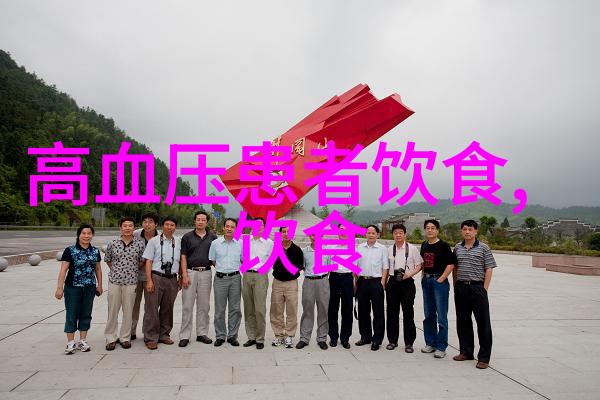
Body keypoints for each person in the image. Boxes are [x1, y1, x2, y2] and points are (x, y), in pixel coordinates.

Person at [453, 219, 497, 369]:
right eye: (464, 229)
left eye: (470, 229)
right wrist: (455, 285)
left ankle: (483, 358)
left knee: (483, 323)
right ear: (461, 231)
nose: (467, 232)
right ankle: (466, 352)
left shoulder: (484, 248)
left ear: (476, 231)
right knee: (463, 321)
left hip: (478, 288)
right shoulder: (457, 247)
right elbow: (455, 267)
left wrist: (484, 289)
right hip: (461, 288)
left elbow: (489, 268)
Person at [55, 223, 103, 354]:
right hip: (72, 287)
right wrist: (59, 288)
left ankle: (83, 340)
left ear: (92, 235)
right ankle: (70, 342)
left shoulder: (95, 251)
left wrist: (100, 285)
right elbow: (63, 270)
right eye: (83, 233)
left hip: (89, 287)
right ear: (78, 235)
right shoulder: (70, 250)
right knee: (71, 313)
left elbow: (98, 269)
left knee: (86, 313)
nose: (86, 236)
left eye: (89, 233)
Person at [104, 217, 145, 350]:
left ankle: (125, 337)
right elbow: (108, 259)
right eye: (125, 226)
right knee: (112, 311)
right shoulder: (113, 243)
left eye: (130, 226)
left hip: (131, 282)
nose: (127, 228)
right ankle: (110, 338)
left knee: (128, 311)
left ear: (134, 228)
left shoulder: (140, 244)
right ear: (120, 228)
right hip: (114, 281)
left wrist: (132, 270)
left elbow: (142, 261)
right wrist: (116, 271)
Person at [141, 216, 181, 350]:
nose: (169, 227)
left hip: (172, 278)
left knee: (167, 308)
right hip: (156, 277)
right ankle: (151, 337)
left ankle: (164, 334)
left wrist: (180, 277)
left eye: (172, 225)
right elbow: (148, 261)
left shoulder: (179, 241)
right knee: (151, 308)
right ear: (162, 226)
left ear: (175, 227)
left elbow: (181, 260)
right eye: (167, 224)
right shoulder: (154, 241)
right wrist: (149, 281)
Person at [178, 210, 217, 347]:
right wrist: (184, 275)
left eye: (203, 220)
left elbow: (215, 257)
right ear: (194, 221)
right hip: (190, 272)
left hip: (206, 273)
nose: (200, 222)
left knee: (204, 306)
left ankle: (202, 333)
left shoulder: (213, 237)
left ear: (207, 222)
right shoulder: (187, 237)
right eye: (198, 219)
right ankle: (184, 336)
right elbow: (183, 256)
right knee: (187, 306)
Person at [420, 219, 456, 359]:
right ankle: (430, 343)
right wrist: (423, 277)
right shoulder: (424, 245)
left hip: (439, 282)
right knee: (429, 314)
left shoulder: (444, 246)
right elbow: (423, 263)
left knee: (441, 316)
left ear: (437, 230)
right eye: (427, 228)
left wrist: (441, 278)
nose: (430, 230)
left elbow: (451, 264)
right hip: (426, 281)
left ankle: (441, 346)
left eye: (433, 228)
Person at [385, 224, 423, 353]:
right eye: (395, 232)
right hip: (392, 282)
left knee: (408, 313)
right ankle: (392, 341)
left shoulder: (412, 249)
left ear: (405, 234)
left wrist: (409, 274)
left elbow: (420, 265)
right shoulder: (389, 249)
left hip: (407, 282)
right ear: (392, 235)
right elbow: (386, 267)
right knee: (392, 313)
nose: (398, 235)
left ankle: (409, 343)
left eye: (400, 232)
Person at [208, 218, 243, 347]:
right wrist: (222, 269)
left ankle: (232, 336)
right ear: (223, 227)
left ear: (236, 229)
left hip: (235, 278)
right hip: (220, 278)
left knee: (235, 309)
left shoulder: (241, 243)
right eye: (227, 226)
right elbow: (212, 260)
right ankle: (220, 335)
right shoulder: (215, 243)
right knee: (219, 309)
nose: (229, 229)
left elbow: (243, 259)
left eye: (232, 227)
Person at [355, 225, 389, 351]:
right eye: (368, 233)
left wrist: (382, 283)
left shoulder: (382, 249)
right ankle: (365, 337)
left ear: (378, 235)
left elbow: (385, 266)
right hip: (362, 281)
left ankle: (377, 340)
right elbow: (355, 266)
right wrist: (356, 282)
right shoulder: (360, 247)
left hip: (376, 282)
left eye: (373, 233)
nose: (370, 235)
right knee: (363, 311)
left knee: (378, 312)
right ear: (365, 234)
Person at [270, 226, 304, 348]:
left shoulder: (297, 250)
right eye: (283, 232)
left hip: (291, 283)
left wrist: (288, 270)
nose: (286, 234)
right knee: (276, 310)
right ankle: (279, 335)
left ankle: (289, 335)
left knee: (292, 310)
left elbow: (299, 266)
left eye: (288, 232)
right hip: (277, 282)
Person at [242, 218, 273, 350]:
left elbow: (271, 259)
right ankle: (251, 336)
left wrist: (262, 270)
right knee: (248, 307)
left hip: (260, 276)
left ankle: (260, 338)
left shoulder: (269, 243)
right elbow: (241, 258)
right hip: (247, 275)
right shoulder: (245, 241)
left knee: (259, 309)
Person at [296, 233, 329, 350]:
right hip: (309, 281)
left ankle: (322, 338)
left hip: (323, 281)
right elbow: (303, 266)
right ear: (310, 237)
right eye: (312, 235)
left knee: (323, 310)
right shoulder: (304, 251)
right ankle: (304, 338)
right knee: (307, 310)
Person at [131, 211, 160, 340]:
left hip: (152, 277)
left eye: (150, 222)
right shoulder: (135, 234)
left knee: (150, 306)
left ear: (156, 224)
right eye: (145, 222)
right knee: (133, 305)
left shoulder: (160, 237)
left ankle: (148, 333)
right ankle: (131, 331)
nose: (147, 224)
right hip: (135, 276)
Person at [328, 225, 354, 349]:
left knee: (347, 310)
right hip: (334, 278)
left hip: (348, 279)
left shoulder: (354, 247)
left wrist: (355, 284)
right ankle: (333, 337)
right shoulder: (331, 247)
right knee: (332, 309)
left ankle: (345, 338)